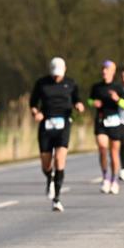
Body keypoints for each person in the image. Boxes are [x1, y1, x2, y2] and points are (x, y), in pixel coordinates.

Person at [30, 57, 85, 212]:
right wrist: (36, 113)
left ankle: (57, 199)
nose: (57, 77)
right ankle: (50, 177)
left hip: (63, 123)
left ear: (65, 69)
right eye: (54, 74)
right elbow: (33, 103)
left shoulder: (71, 83)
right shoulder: (42, 83)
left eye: (59, 74)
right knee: (46, 163)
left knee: (60, 160)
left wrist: (79, 105)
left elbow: (77, 99)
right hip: (46, 123)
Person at [88, 60, 124, 195]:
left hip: (114, 122)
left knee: (114, 153)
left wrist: (117, 99)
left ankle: (114, 180)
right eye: (103, 69)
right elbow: (89, 100)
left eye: (107, 69)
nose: (104, 72)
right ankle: (105, 177)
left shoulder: (118, 87)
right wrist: (93, 103)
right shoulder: (96, 87)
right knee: (102, 148)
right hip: (101, 121)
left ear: (113, 71)